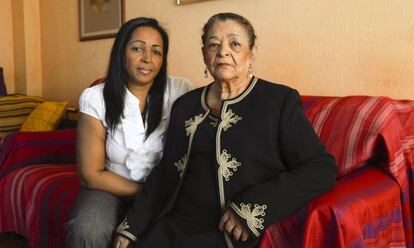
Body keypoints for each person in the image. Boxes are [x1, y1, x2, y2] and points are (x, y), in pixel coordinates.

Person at [113, 13, 338, 248]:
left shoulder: (278, 101)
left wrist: (251, 208)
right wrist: (131, 227)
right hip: (175, 225)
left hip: (229, 232)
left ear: (251, 54)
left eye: (234, 44)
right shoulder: (185, 105)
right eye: (213, 45)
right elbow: (165, 174)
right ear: (204, 55)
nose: (222, 51)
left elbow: (320, 167)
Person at [65, 17, 191, 248]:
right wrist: (147, 196)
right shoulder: (95, 98)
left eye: (157, 51)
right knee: (87, 229)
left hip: (166, 189)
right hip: (110, 187)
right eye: (137, 48)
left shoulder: (180, 90)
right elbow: (90, 174)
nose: (147, 59)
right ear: (121, 53)